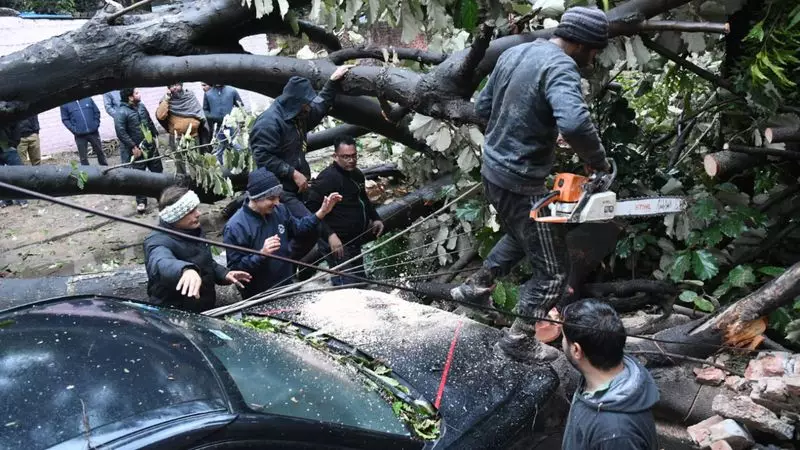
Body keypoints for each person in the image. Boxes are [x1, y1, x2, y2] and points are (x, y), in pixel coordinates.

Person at [450, 6, 612, 363]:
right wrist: (597, 161)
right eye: (595, 50)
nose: (595, 57)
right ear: (583, 44)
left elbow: (484, 107)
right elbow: (573, 122)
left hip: (494, 171)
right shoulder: (560, 66)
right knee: (553, 274)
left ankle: (476, 286)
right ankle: (518, 338)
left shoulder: (517, 52)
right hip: (522, 181)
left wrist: (529, 128)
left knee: (522, 234)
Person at [249, 65, 352, 275]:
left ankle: (289, 266)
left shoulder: (299, 115)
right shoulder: (269, 123)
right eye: (305, 103)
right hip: (279, 190)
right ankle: (281, 268)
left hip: (298, 187)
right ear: (295, 103)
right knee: (310, 225)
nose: (308, 107)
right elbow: (263, 157)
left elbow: (319, 106)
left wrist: (332, 82)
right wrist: (292, 172)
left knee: (303, 229)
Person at [223, 168, 342, 299]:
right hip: (258, 296)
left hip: (286, 286)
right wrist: (261, 254)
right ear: (256, 198)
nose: (277, 202)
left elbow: (299, 228)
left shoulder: (279, 210)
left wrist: (322, 212)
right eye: (271, 198)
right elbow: (235, 270)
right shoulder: (236, 227)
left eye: (278, 197)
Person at [561, 299, 659, 450]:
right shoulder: (599, 378)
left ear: (576, 350)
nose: (562, 342)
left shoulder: (616, 433)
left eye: (563, 337)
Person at [144, 186, 252, 312]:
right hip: (174, 314)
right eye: (190, 211)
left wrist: (224, 274)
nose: (198, 214)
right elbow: (160, 262)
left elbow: (204, 261)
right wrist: (185, 270)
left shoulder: (193, 230)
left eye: (196, 208)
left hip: (202, 308)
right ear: (175, 216)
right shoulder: (156, 241)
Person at [306, 136, 383, 285]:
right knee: (347, 286)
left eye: (354, 156)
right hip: (336, 243)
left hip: (354, 240)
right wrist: (329, 235)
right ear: (335, 156)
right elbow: (310, 210)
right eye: (346, 157)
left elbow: (363, 198)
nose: (351, 160)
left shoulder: (357, 174)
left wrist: (376, 217)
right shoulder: (327, 179)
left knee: (360, 282)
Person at [114, 87, 163, 213]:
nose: (139, 95)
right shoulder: (121, 112)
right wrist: (133, 147)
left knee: (157, 171)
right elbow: (121, 132)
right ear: (130, 97)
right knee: (139, 176)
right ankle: (141, 202)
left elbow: (149, 122)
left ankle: (161, 197)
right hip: (138, 150)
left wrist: (155, 136)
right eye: (136, 93)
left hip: (150, 146)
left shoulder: (141, 107)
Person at [156, 82, 206, 173]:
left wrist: (196, 123)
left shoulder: (190, 96)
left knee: (196, 163)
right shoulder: (166, 100)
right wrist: (167, 98)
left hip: (193, 137)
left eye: (177, 85)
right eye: (172, 86)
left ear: (182, 85)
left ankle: (198, 183)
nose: (175, 88)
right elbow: (160, 115)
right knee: (179, 164)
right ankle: (183, 183)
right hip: (177, 139)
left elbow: (199, 112)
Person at [60, 97, 108, 166]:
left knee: (100, 152)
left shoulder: (88, 99)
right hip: (79, 136)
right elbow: (65, 119)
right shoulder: (64, 104)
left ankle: (105, 169)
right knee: (83, 157)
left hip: (93, 132)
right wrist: (75, 130)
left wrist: (95, 124)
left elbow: (96, 112)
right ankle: (86, 174)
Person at [0, 120, 29, 208]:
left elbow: (16, 126)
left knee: (18, 172)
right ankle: (6, 200)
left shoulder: (5, 110)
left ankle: (21, 199)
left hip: (9, 148)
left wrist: (14, 143)